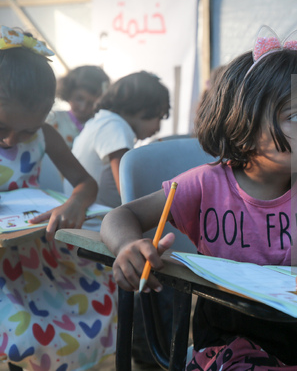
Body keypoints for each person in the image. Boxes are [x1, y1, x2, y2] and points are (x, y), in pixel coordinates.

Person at [100, 26, 297, 370]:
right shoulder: (204, 184)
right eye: (296, 116)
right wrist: (127, 246)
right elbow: (119, 217)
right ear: (244, 123)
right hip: (231, 339)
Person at [0, 26, 116, 370]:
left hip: (36, 249)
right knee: (18, 327)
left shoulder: (46, 135)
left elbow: (85, 183)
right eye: (1, 127)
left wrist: (75, 203)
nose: (10, 141)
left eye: (27, 131)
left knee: (92, 297)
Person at [68, 71, 170, 208]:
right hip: (98, 223)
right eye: (160, 116)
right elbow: (128, 192)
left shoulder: (101, 121)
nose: (158, 128)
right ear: (141, 108)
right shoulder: (114, 126)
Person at [46, 65, 110, 148]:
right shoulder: (52, 119)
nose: (83, 108)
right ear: (68, 92)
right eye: (79, 99)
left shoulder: (99, 129)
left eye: (91, 103)